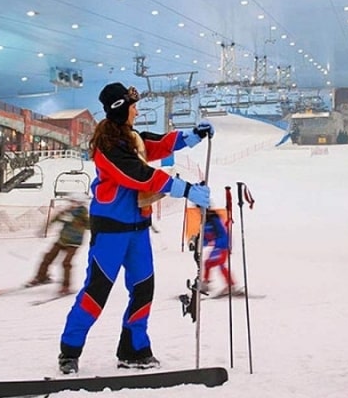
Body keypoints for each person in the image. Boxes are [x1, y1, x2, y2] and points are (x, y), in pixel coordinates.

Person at [57, 82, 213, 375]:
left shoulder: (130, 138)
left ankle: (133, 349)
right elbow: (139, 175)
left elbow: (154, 145)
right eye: (133, 107)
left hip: (138, 227)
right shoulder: (107, 147)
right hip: (111, 229)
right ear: (120, 109)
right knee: (97, 292)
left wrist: (190, 137)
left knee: (143, 289)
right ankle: (70, 350)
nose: (137, 112)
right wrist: (185, 188)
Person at [26, 193, 90, 295]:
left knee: (66, 263)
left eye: (74, 202)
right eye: (71, 202)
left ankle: (66, 286)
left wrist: (78, 222)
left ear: (80, 203)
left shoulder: (83, 214)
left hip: (74, 243)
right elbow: (56, 219)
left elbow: (89, 225)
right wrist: (45, 228)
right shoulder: (67, 211)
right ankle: (41, 277)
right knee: (48, 257)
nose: (72, 204)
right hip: (62, 240)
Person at [197, 208, 239, 296]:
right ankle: (207, 283)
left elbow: (223, 234)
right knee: (209, 264)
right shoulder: (205, 222)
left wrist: (214, 242)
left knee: (218, 263)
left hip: (223, 245)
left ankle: (231, 285)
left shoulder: (214, 220)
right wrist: (200, 243)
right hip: (217, 247)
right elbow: (206, 237)